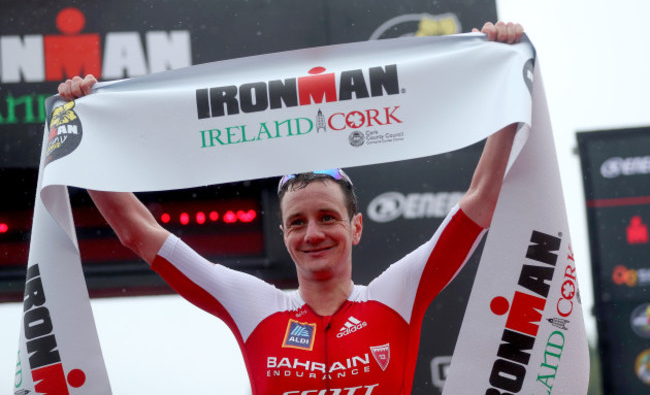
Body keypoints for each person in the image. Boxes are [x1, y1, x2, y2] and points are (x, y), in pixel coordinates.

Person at [59, 21, 524, 395]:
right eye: (297, 222)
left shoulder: (395, 295)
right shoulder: (253, 305)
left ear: (356, 227)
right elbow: (138, 233)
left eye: (327, 218)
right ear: (283, 234)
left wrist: (506, 85)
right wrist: (88, 141)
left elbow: (478, 201)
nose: (312, 234)